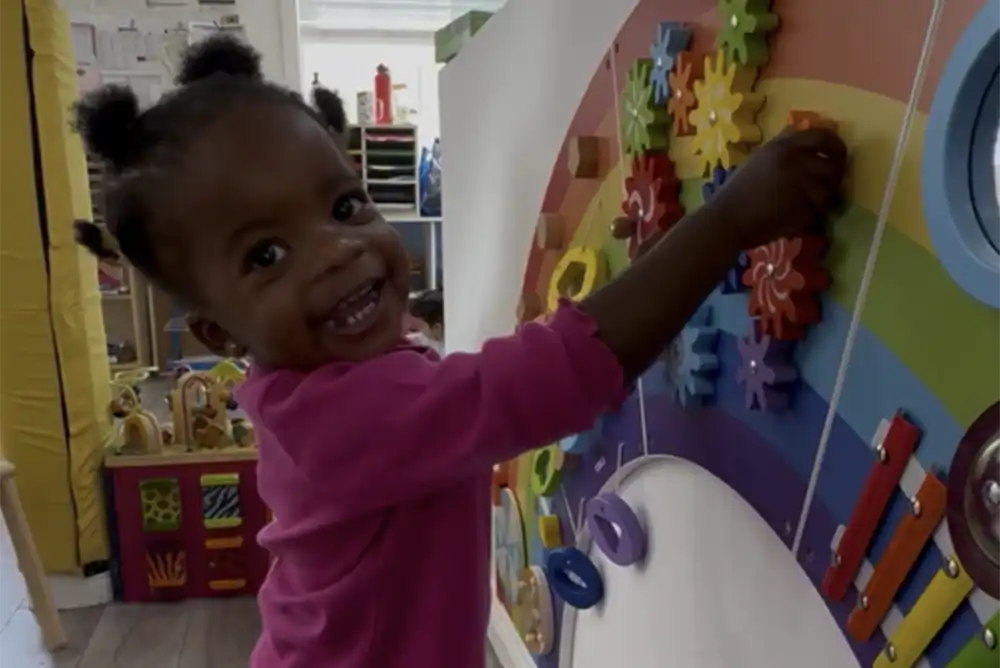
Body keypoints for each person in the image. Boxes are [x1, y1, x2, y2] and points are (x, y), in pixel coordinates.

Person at [73, 35, 846, 668]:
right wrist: (730, 220)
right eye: (267, 256)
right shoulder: (341, 423)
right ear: (219, 336)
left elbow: (417, 369)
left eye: (346, 206)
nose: (336, 251)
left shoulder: (328, 376)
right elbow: (547, 378)